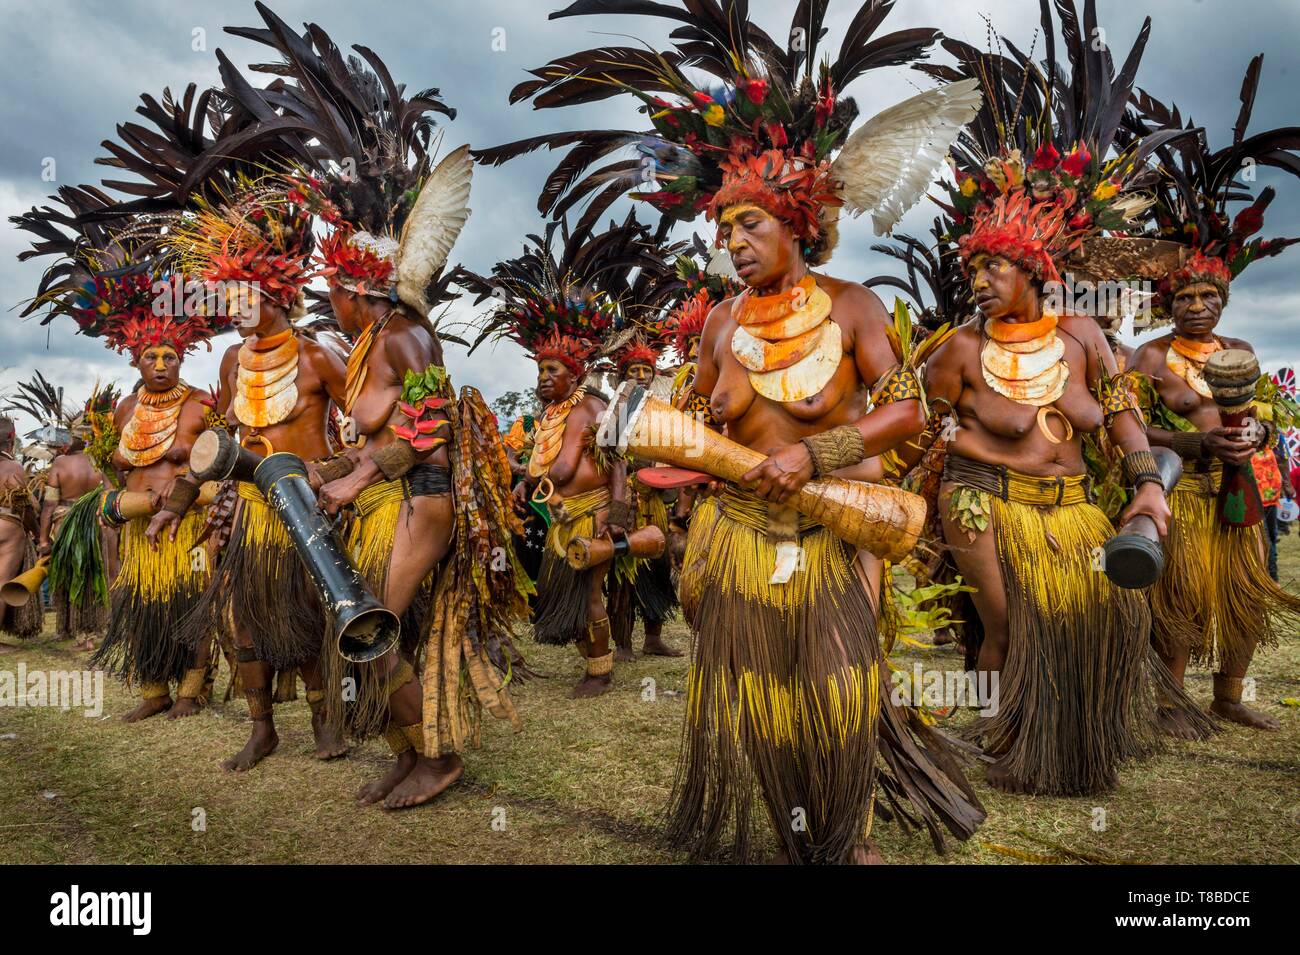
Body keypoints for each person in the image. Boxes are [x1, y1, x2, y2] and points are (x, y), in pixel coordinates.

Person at [487, 0, 987, 862]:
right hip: (738, 537)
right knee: (757, 699)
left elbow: (910, 410)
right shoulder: (717, 324)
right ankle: (801, 831)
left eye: (748, 223)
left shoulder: (855, 306)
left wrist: (818, 451)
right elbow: (675, 428)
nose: (733, 242)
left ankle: (850, 837)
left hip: (834, 531)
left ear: (798, 221)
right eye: (723, 229)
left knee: (838, 693)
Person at [223, 6, 529, 807]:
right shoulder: (366, 343)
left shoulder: (405, 338)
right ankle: (405, 750)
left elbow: (433, 436)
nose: (327, 299)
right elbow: (374, 436)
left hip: (423, 505)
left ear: (362, 288)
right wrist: (328, 469)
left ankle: (437, 756)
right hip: (390, 498)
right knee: (360, 631)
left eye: (334, 290)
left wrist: (358, 478)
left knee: (373, 627)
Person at [1128, 53, 1300, 732]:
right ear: (1169, 303)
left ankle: (1229, 696)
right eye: (1185, 295)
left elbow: (1264, 416)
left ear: (1224, 300)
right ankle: (1171, 702)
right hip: (1188, 491)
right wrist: (1195, 440)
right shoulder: (1149, 357)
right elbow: (1133, 433)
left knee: (1246, 595)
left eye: (1208, 294)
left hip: (1241, 491)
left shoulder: (1244, 353)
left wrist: (1255, 438)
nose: (1197, 305)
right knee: (1183, 598)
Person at [158, 177, 350, 769]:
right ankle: (261, 727)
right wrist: (177, 499)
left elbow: (370, 427)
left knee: (307, 611)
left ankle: (325, 721)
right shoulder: (230, 361)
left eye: (248, 298)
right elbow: (218, 440)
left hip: (306, 505)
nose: (235, 309)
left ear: (280, 296)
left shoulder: (319, 354)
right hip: (247, 508)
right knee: (243, 619)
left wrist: (331, 474)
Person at [461, 218, 655, 698]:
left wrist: (618, 511)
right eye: (541, 369)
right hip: (560, 517)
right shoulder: (549, 414)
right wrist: (526, 481)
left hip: (591, 515)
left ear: (575, 373)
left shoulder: (592, 405)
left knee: (591, 592)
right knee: (565, 591)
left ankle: (600, 674)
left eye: (553, 370)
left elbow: (619, 460)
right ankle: (590, 661)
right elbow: (545, 465)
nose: (544, 377)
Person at [0, 416, 41, 653]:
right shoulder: (13, 467)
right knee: (2, 582)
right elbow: (24, 506)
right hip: (7, 525)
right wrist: (36, 533)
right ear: (11, 438)